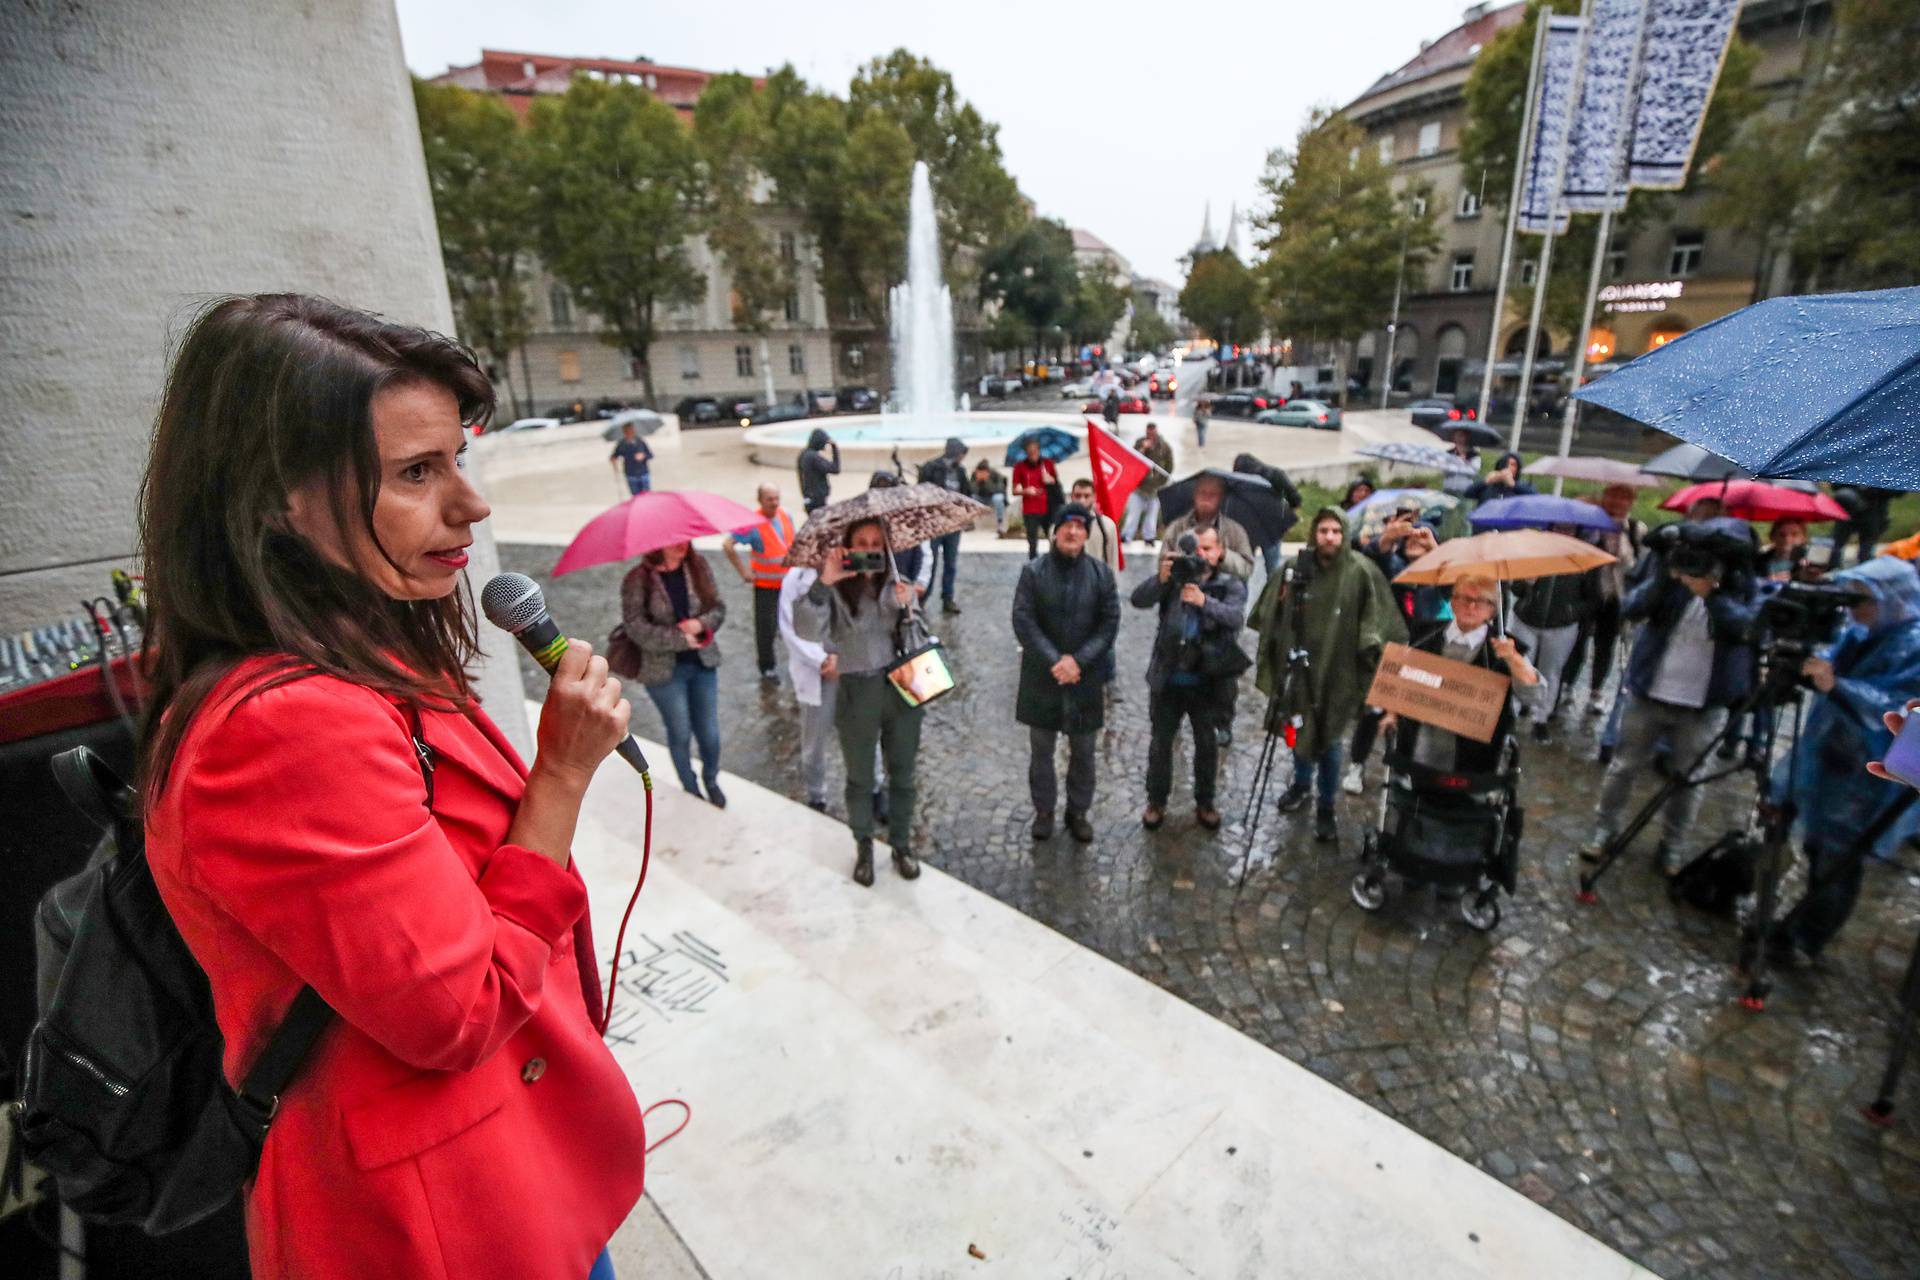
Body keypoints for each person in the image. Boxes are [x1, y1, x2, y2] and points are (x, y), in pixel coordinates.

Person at [138, 295, 645, 1278]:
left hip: (513, 1162)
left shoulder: (362, 642)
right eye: (418, 471)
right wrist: (561, 773)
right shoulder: (284, 727)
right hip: (448, 1222)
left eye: (461, 456)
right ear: (280, 495)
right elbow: (457, 1007)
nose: (471, 503)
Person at [1579, 523, 1760, 871]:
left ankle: (1672, 845)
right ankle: (1604, 829)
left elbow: (1746, 628)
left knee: (1688, 779)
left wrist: (1712, 594)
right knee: (1623, 767)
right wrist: (1665, 576)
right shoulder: (1673, 579)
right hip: (1649, 694)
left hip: (1703, 706)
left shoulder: (1741, 585)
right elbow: (1630, 608)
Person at [1768, 559, 1920, 961]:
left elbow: (1900, 712)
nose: (1853, 609)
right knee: (1819, 848)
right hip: (1831, 756)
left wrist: (1838, 686)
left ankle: (1807, 940)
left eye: (1862, 599)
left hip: (1869, 775)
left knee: (1841, 858)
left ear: (1892, 599)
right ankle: (1797, 923)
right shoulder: (1862, 632)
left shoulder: (1914, 643)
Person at [1256, 506, 1407, 842]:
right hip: (1300, 667)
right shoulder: (1296, 568)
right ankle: (1300, 783)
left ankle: (1326, 804)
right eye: (1323, 530)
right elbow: (1270, 611)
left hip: (1339, 672)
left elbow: (1379, 621)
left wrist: (1370, 650)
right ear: (1314, 534)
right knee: (1297, 727)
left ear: (1345, 534)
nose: (1329, 537)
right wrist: (1279, 602)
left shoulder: (1360, 572)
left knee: (1331, 737)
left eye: (1336, 531)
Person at [796, 518, 925, 886]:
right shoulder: (836, 589)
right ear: (848, 547)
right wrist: (826, 581)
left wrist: (909, 605)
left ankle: (901, 844)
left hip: (903, 687)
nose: (869, 548)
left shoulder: (898, 581)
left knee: (903, 773)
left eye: (875, 542)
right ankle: (864, 844)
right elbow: (805, 628)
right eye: (861, 542)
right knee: (860, 776)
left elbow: (918, 634)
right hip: (856, 690)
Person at [1013, 504, 1121, 842]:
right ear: (1055, 531)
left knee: (1084, 752)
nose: (1072, 532)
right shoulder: (1033, 572)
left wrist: (1079, 662)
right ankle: (1044, 810)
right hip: (1042, 678)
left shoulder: (1101, 574)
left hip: (1084, 679)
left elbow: (1109, 623)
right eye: (1066, 526)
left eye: (1079, 526)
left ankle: (1078, 811)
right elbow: (1023, 620)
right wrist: (1054, 661)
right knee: (1042, 752)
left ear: (1087, 533)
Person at [1132, 526, 1248, 830]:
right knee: (1160, 743)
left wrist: (1204, 602)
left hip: (1207, 679)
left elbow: (1236, 618)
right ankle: (1156, 801)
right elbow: (1138, 600)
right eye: (1196, 550)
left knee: (1206, 744)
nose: (1202, 555)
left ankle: (1205, 801)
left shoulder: (1229, 584)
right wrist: (1161, 578)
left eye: (1208, 549)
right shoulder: (1175, 578)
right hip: (1169, 676)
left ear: (1220, 552)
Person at [1378, 574, 1544, 769]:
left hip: (1475, 761)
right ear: (1453, 601)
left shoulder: (1505, 648)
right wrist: (1392, 714)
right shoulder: (1424, 636)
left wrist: (1514, 660)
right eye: (1464, 598)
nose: (1471, 606)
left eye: (1481, 601)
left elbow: (1534, 696)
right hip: (1418, 749)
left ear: (1492, 609)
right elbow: (1400, 678)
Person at [620, 541, 728, 807]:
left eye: (685, 539)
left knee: (709, 731)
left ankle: (711, 779)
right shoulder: (638, 579)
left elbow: (718, 608)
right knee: (679, 731)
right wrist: (680, 639)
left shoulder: (698, 566)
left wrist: (700, 624)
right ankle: (690, 786)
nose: (682, 545)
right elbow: (634, 626)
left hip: (702, 663)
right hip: (663, 672)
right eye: (674, 540)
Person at [1507, 532, 1603, 739]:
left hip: (1561, 626)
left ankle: (1540, 718)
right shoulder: (1534, 554)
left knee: (1551, 672)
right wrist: (1527, 583)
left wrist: (1571, 612)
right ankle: (1512, 712)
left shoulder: (1584, 560)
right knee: (1519, 665)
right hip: (1526, 620)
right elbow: (1515, 588)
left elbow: (1594, 599)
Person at [777, 563, 837, 811]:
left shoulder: (854, 569)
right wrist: (822, 659)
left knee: (865, 734)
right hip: (818, 672)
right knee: (814, 740)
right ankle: (816, 794)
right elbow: (789, 628)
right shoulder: (796, 578)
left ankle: (874, 788)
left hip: (851, 667)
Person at [723, 482, 795, 682]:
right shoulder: (751, 523)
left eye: (776, 498)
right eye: (769, 499)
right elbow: (728, 545)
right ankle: (767, 667)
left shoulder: (785, 515)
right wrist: (744, 572)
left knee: (790, 623)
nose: (774, 503)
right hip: (766, 586)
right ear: (760, 500)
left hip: (788, 584)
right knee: (766, 628)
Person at [1160, 472, 1254, 580]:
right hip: (1183, 588)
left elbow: (1247, 569)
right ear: (1194, 494)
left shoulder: (1235, 531)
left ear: (1221, 498)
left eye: (1213, 494)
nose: (1206, 498)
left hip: (1222, 592)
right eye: (1202, 492)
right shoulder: (1176, 528)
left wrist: (1223, 554)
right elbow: (1162, 564)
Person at [915, 437, 972, 614]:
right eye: (961, 453)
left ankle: (948, 598)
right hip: (935, 523)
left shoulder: (961, 471)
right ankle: (924, 597)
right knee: (929, 561)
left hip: (953, 525)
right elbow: (921, 492)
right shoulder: (932, 467)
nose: (962, 457)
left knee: (951, 563)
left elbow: (966, 493)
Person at [1231, 451, 1303, 577]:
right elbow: (1295, 497)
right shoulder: (1274, 474)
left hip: (1247, 528)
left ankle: (1241, 595)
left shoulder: (1237, 480)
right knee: (1273, 569)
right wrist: (1289, 510)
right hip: (1272, 526)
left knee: (1243, 570)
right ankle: (1275, 593)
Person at [1122, 420, 1175, 545]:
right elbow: (1132, 459)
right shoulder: (1140, 442)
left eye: (1153, 432)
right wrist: (1143, 449)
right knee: (1133, 514)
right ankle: (1127, 535)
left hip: (1155, 488)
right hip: (1139, 487)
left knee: (1152, 515)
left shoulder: (1164, 447)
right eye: (1148, 432)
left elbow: (1169, 466)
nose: (1150, 434)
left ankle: (1149, 537)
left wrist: (1162, 481)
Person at [1012, 436, 1060, 559]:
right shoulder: (1020, 467)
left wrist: (1050, 480)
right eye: (1030, 452)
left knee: (1053, 537)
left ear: (1039, 450)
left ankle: (1055, 562)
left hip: (1048, 507)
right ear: (1026, 452)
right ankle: (1033, 565)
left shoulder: (1048, 464)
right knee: (1032, 541)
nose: (1033, 454)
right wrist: (1025, 491)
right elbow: (1014, 490)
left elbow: (1057, 485)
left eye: (1035, 451)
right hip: (1030, 509)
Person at [1831, 485, 1896, 566]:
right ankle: (1831, 568)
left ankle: (1864, 571)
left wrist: (1874, 489)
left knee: (1866, 550)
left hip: (1873, 512)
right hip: (1849, 508)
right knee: (1835, 544)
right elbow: (1835, 485)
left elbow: (1898, 491)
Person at [1070, 477, 1122, 574]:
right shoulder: (1060, 526)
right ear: (1072, 496)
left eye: (1086, 496)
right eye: (1078, 496)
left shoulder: (1107, 526)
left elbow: (1112, 561)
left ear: (1094, 497)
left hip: (1096, 582)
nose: (1082, 500)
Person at [797, 427, 841, 514]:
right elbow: (835, 469)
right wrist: (834, 448)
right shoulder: (814, 458)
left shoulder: (803, 455)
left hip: (808, 499)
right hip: (817, 501)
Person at [1467, 452, 1536, 505]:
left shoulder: (1523, 485)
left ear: (1517, 469)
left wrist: (1513, 485)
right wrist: (1485, 482)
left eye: (1513, 465)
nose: (1508, 467)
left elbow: (1534, 497)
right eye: (1505, 464)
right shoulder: (1488, 484)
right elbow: (1468, 493)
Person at [609, 420, 654, 495]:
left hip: (643, 473)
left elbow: (650, 455)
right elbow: (615, 455)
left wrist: (643, 456)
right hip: (631, 474)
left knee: (647, 496)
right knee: (636, 496)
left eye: (631, 430)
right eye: (627, 431)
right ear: (624, 432)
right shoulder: (622, 444)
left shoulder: (640, 441)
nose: (629, 432)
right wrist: (613, 458)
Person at [1440, 428, 1484, 498]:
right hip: (1448, 487)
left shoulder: (1473, 454)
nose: (1458, 438)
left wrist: (1462, 462)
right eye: (1456, 435)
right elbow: (1444, 469)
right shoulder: (1449, 453)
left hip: (1464, 489)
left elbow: (1473, 471)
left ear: (1466, 437)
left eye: (1461, 436)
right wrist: (1458, 464)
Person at [971, 458, 1009, 535]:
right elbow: (971, 490)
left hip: (992, 497)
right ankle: (970, 522)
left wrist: (986, 481)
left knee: (998, 498)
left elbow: (999, 489)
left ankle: (1000, 523)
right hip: (981, 498)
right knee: (971, 498)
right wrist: (978, 482)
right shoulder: (974, 475)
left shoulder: (995, 474)